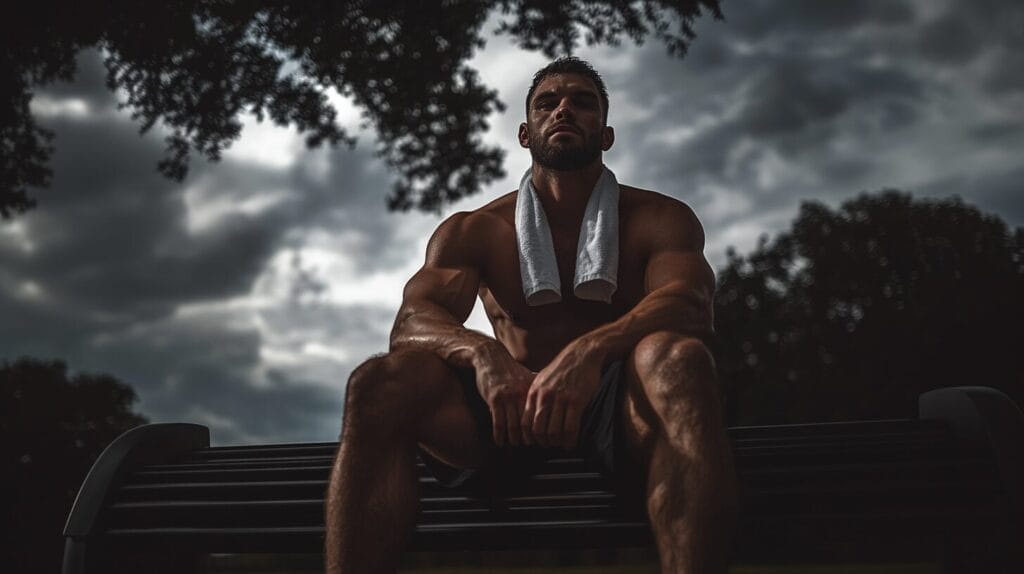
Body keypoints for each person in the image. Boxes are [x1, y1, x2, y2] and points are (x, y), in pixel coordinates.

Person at [325, 56, 737, 574]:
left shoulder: (659, 218)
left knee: (678, 358)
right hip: (507, 411)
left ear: (606, 134)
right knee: (377, 382)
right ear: (526, 132)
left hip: (616, 407)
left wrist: (588, 352)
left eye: (583, 102)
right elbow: (410, 322)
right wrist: (484, 354)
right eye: (549, 102)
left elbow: (690, 305)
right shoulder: (475, 229)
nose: (564, 109)